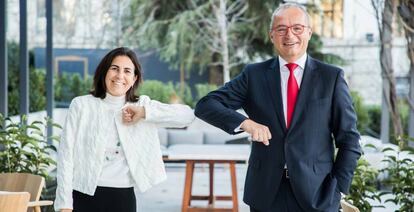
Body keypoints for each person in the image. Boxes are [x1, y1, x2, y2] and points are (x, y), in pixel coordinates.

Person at [194, 3, 361, 212]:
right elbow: (205, 105)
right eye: (281, 29)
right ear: (272, 35)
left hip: (318, 195)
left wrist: (338, 191)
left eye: (297, 28)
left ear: (309, 32)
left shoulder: (331, 77)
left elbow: (350, 140)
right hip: (266, 195)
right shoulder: (254, 75)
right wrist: (246, 123)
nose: (289, 35)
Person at [55, 47, 195, 212]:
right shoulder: (81, 105)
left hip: (123, 198)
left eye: (127, 71)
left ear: (134, 78)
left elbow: (187, 115)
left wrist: (144, 113)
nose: (120, 76)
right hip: (82, 195)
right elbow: (66, 156)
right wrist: (64, 204)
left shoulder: (141, 106)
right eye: (114, 68)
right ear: (104, 72)